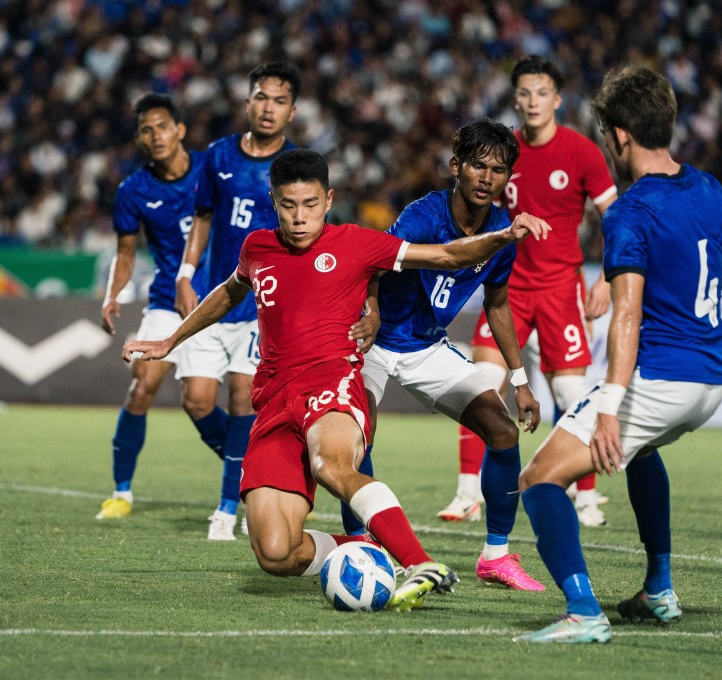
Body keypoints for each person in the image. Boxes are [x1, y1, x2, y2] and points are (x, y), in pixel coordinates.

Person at [123, 149, 550, 610]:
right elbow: (229, 292)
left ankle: (418, 562)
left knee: (332, 465)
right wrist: (170, 341)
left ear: (328, 200)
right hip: (273, 400)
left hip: (333, 383)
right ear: (274, 201)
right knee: (274, 551)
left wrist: (505, 234)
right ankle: (361, 552)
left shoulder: (357, 243)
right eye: (289, 205)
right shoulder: (257, 248)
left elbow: (446, 255)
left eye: (310, 204)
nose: (300, 217)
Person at [514, 65, 722, 643]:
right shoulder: (707, 187)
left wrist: (608, 406)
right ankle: (657, 589)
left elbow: (625, 313)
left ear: (618, 135)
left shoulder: (630, 211)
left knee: (539, 479)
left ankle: (582, 611)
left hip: (662, 377)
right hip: (713, 379)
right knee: (642, 453)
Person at [353, 120, 547, 591]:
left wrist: (520, 381)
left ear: (508, 179)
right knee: (356, 439)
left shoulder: (502, 230)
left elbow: (497, 304)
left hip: (425, 346)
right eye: (478, 165)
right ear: (456, 167)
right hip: (374, 342)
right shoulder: (423, 214)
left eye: (498, 170)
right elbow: (381, 262)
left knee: (502, 432)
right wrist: (373, 310)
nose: (487, 177)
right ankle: (363, 547)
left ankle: (495, 557)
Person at [445, 55, 618, 528]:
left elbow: (618, 217)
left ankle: (584, 496)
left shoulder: (581, 151)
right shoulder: (503, 156)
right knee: (479, 385)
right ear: (516, 99)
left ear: (557, 99)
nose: (532, 101)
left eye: (542, 92)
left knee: (571, 392)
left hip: (562, 289)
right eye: (524, 93)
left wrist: (606, 277)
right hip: (508, 289)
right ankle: (466, 493)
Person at [173, 62, 299, 540]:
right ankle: (255, 464)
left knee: (243, 397)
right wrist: (187, 275)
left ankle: (228, 507)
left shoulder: (292, 168)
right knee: (196, 400)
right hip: (216, 298)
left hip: (263, 306)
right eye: (262, 98)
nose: (269, 108)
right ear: (247, 102)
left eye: (279, 100)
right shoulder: (218, 155)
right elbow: (202, 218)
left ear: (292, 110)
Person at [96, 93, 220, 520]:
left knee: (201, 401)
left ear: (180, 130)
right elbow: (126, 253)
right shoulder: (133, 190)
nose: (156, 135)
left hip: (225, 297)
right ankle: (121, 492)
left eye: (163, 125)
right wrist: (113, 294)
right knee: (142, 384)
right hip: (168, 297)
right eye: (146, 129)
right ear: (139, 139)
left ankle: (254, 477)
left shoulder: (213, 167)